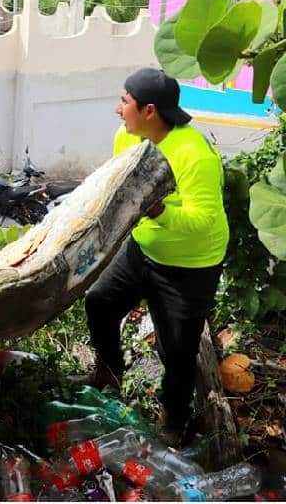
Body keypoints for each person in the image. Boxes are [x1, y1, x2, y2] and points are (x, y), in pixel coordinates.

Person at [78, 67, 228, 447]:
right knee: (99, 300)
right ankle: (109, 372)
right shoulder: (125, 139)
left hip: (190, 265)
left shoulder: (195, 155)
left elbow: (204, 219)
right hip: (143, 248)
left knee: (177, 352)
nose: (117, 110)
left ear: (149, 111)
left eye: (124, 102)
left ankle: (174, 419)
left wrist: (158, 211)